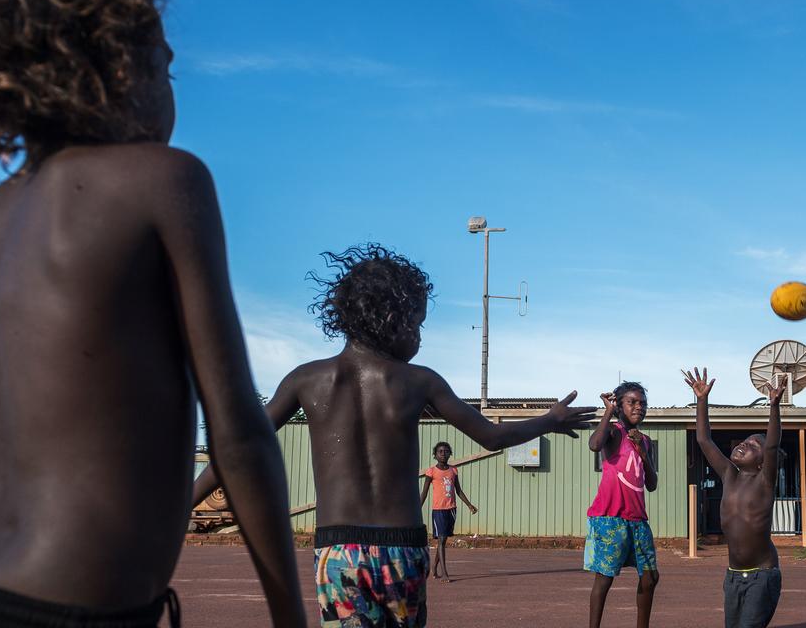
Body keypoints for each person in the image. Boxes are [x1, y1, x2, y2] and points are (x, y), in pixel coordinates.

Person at [0, 0, 304, 626]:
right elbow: (240, 431)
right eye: (166, 66)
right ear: (115, 66)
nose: (170, 89)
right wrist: (290, 616)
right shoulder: (166, 180)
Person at [192, 244, 593, 627]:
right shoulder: (420, 382)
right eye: (417, 325)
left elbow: (238, 448)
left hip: (338, 551)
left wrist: (185, 505)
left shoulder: (306, 379)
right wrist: (549, 420)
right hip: (402, 547)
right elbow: (489, 435)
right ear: (390, 319)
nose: (419, 337)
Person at [684, 367, 787, 628]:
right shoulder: (729, 474)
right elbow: (704, 439)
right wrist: (701, 400)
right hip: (732, 576)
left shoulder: (765, 481)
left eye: (753, 446)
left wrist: (773, 407)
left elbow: (773, 445)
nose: (744, 444)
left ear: (764, 463)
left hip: (762, 576)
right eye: (745, 440)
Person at [585, 381, 659, 628]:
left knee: (650, 577)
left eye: (643, 403)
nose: (639, 407)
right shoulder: (614, 432)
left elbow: (652, 484)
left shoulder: (645, 440)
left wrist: (643, 452)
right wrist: (608, 411)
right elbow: (595, 444)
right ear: (620, 405)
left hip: (638, 519)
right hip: (610, 517)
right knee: (605, 579)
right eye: (632, 402)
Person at [420, 441, 478, 582]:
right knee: (440, 539)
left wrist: (469, 505)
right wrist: (417, 508)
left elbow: (458, 490)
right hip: (438, 510)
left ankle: (434, 567)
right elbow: (424, 492)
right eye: (440, 451)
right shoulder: (431, 472)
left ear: (450, 454)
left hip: (451, 509)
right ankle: (444, 573)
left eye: (446, 451)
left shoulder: (453, 470)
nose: (443, 454)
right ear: (435, 455)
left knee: (444, 540)